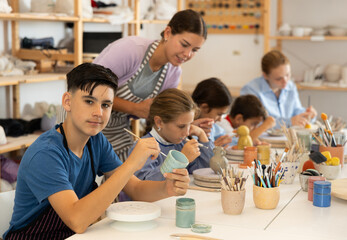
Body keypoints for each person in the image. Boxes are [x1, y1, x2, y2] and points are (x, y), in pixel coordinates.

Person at [4, 63, 189, 240]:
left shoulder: (96, 141)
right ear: (67, 102)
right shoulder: (46, 154)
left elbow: (136, 189)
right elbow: (77, 220)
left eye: (106, 105)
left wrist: (166, 188)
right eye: (89, 101)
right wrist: (131, 163)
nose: (98, 112)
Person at [93, 9, 207, 161]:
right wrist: (134, 108)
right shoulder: (130, 50)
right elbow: (89, 89)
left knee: (127, 173)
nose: (188, 54)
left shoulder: (173, 73)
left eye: (195, 50)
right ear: (167, 33)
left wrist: (185, 125)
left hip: (117, 128)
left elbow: (162, 116)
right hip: (84, 119)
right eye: (184, 44)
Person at [130, 88, 213, 181]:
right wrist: (181, 159)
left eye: (190, 125)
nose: (186, 132)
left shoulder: (180, 143)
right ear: (159, 122)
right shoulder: (143, 148)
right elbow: (145, 185)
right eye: (181, 126)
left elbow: (205, 173)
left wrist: (202, 136)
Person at [240, 50, 317, 128]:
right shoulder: (250, 90)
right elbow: (254, 123)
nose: (285, 81)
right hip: (261, 138)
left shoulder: (290, 86)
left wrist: (307, 114)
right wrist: (289, 121)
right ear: (265, 76)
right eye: (278, 78)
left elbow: (296, 111)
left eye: (287, 75)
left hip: (286, 137)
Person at [191, 78, 233, 148]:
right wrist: (212, 148)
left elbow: (224, 137)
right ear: (204, 107)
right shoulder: (185, 130)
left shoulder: (213, 128)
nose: (220, 119)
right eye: (219, 114)